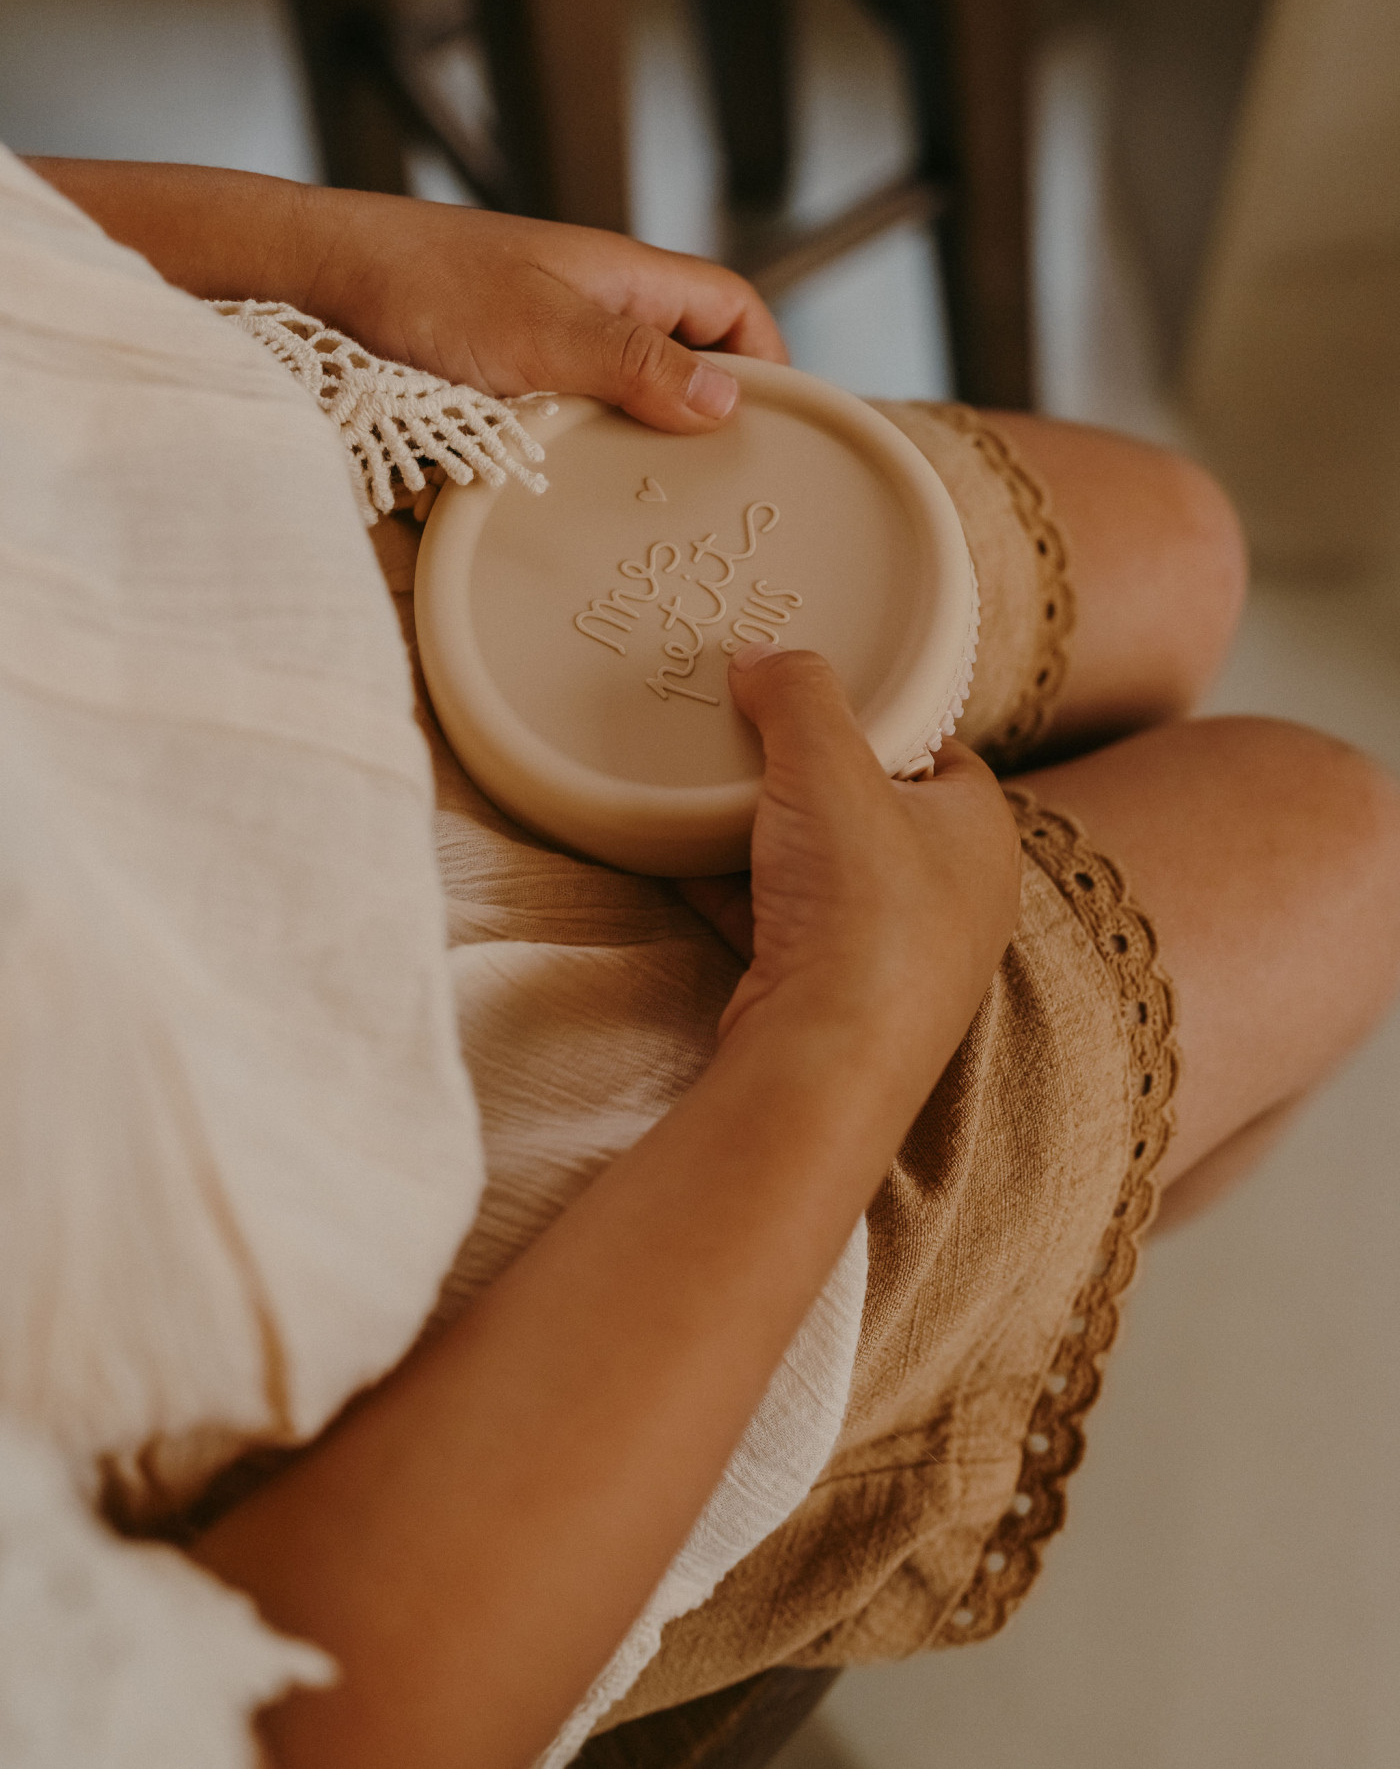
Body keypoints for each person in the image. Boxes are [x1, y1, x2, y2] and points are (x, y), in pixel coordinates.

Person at [4, 152, 1399, 1769]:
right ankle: (974, 1324)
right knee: (1331, 839)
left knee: (1178, 546)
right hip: (437, 1250)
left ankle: (1041, 1255)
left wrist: (342, 254)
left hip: (165, 509)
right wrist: (851, 1029)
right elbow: (288, 1733)